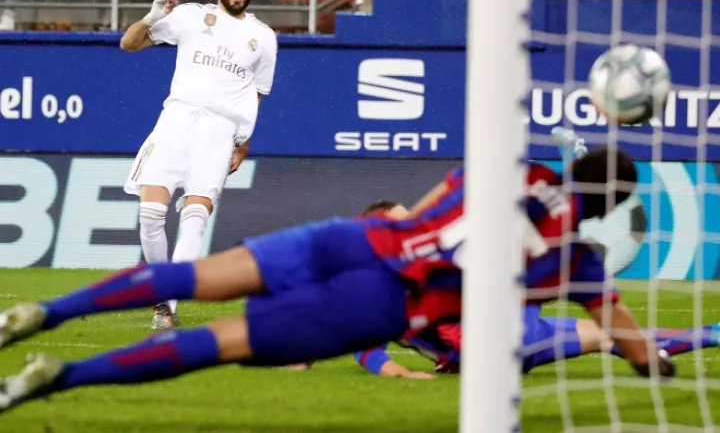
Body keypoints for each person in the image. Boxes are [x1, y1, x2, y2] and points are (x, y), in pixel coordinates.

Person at [0, 148, 673, 413]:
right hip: (388, 297)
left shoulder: (515, 169)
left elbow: (435, 195)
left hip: (358, 237)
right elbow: (632, 347)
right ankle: (60, 377)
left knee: (194, 274)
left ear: (568, 166)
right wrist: (655, 366)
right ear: (612, 206)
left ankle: (47, 310)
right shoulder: (579, 260)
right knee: (222, 342)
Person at [351, 201, 719, 378]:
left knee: (612, 335)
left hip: (509, 342)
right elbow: (366, 346)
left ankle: (711, 335)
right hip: (498, 343)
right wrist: (398, 372)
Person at [119, 0, 278, 330]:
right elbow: (128, 44)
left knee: (194, 219)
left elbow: (257, 93)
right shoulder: (190, 16)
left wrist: (243, 143)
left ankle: (167, 309)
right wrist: (152, 15)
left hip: (220, 131)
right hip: (176, 120)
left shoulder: (264, 38)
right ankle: (161, 290)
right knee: (151, 215)